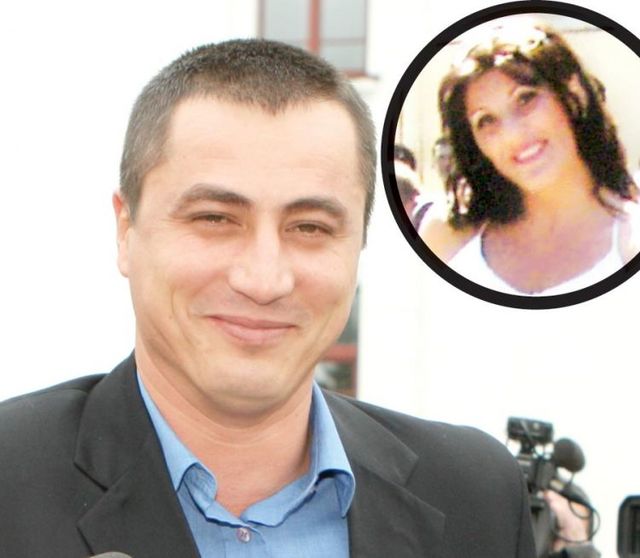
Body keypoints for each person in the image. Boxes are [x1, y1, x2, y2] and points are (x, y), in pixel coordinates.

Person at [0, 39, 535, 557]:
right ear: (126, 231)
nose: (263, 279)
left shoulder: (475, 499)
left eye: (309, 227)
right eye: (215, 219)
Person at [420, 19, 640, 295]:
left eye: (525, 99)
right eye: (486, 121)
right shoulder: (448, 238)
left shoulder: (630, 240)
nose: (512, 134)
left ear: (573, 92)